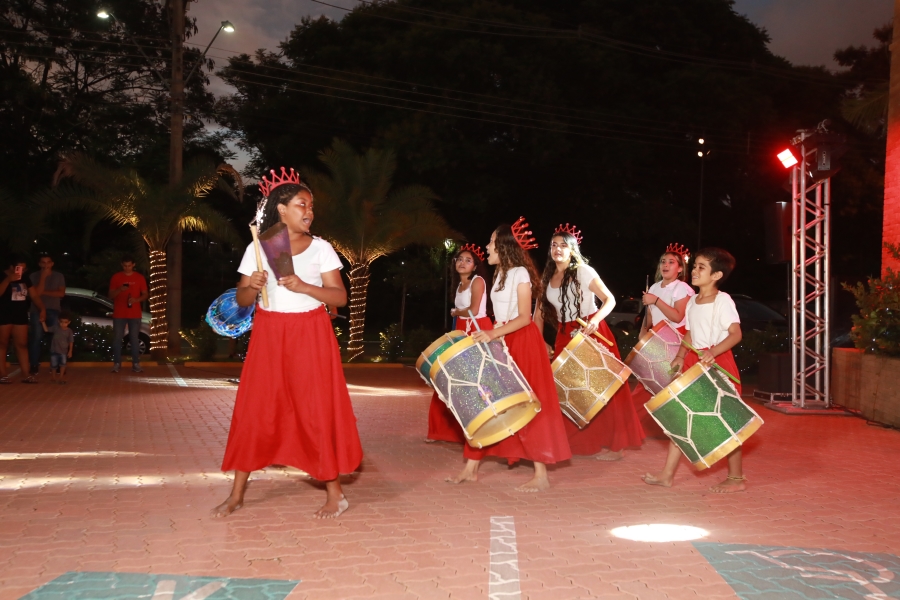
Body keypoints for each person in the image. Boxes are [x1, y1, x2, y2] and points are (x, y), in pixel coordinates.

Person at [214, 167, 362, 519]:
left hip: (310, 333)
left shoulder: (321, 249)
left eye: (311, 206)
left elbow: (339, 297)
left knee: (314, 409)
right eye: (301, 204)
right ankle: (236, 493)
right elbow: (245, 300)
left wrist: (305, 287)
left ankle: (335, 493)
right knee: (256, 408)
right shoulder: (261, 246)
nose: (309, 212)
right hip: (269, 332)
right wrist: (252, 283)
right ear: (281, 209)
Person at [447, 218, 571, 492]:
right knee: (487, 401)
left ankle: (541, 475)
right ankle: (471, 468)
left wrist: (493, 334)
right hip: (503, 340)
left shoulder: (520, 274)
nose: (487, 246)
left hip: (522, 343)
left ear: (503, 246)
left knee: (529, 402)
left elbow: (525, 317)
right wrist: (495, 335)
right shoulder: (501, 274)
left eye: (491, 242)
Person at [533, 225, 645, 459]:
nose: (558, 249)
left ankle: (618, 446)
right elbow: (539, 314)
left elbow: (609, 300)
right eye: (554, 245)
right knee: (572, 390)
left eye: (563, 245)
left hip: (592, 330)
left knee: (605, 389)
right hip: (566, 334)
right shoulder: (547, 277)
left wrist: (594, 321)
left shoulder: (583, 271)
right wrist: (539, 340)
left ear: (573, 249)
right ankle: (581, 442)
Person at [642, 247, 745, 493]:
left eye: (701, 267)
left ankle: (736, 479)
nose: (695, 271)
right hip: (695, 361)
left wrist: (714, 352)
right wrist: (680, 355)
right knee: (682, 418)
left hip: (717, 363)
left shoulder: (723, 301)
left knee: (726, 422)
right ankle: (667, 475)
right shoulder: (694, 302)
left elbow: (736, 334)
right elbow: (690, 332)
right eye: (695, 265)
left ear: (716, 275)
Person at [426, 244, 492, 444]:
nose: (462, 263)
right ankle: (442, 430)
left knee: (478, 379)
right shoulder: (458, 285)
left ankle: (484, 428)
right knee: (450, 377)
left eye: (468, 260)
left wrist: (456, 312)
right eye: (459, 259)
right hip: (462, 329)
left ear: (475, 266)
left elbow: (472, 309)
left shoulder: (478, 281)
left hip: (477, 328)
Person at [631, 244, 695, 435]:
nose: (665, 265)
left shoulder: (682, 287)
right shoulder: (654, 287)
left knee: (659, 387)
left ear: (680, 268)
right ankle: (634, 428)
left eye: (671, 262)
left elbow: (677, 316)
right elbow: (650, 316)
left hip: (674, 342)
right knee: (648, 385)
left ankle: (631, 429)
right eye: (663, 262)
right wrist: (643, 332)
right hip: (656, 341)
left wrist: (655, 300)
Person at [0, 255, 45, 384]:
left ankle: (26, 374)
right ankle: (2, 374)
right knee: (2, 344)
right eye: (19, 268)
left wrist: (42, 308)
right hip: (3, 314)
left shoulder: (25, 278)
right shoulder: (3, 276)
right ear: (11, 267)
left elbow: (34, 294)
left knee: (22, 344)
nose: (22, 271)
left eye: (24, 269)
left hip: (20, 314)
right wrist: (8, 280)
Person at [108, 255, 148, 373]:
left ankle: (135, 364)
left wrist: (136, 300)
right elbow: (110, 295)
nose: (127, 268)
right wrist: (120, 289)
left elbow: (145, 294)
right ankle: (116, 364)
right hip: (119, 314)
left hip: (134, 314)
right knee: (117, 339)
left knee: (134, 339)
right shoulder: (116, 277)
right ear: (122, 265)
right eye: (125, 266)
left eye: (129, 266)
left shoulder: (139, 278)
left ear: (133, 265)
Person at [28, 252, 66, 375]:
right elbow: (35, 295)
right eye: (43, 263)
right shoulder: (34, 276)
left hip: (54, 310)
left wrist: (43, 291)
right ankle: (34, 365)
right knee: (36, 338)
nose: (46, 265)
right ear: (39, 264)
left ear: (52, 263)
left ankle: (57, 365)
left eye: (48, 262)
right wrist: (43, 278)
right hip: (37, 311)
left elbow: (61, 293)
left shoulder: (59, 276)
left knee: (56, 339)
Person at [48, 312, 74, 384]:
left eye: (65, 322)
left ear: (69, 322)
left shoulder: (69, 331)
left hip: (63, 351)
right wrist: (43, 322)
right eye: (62, 322)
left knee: (63, 364)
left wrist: (70, 351)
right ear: (59, 321)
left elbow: (71, 341)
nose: (63, 324)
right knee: (53, 364)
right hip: (54, 350)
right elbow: (46, 330)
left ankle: (61, 377)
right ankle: (53, 377)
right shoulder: (56, 328)